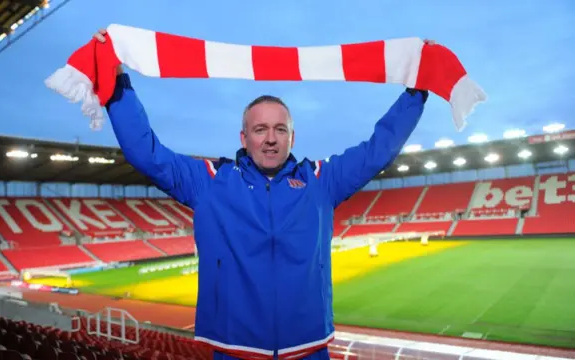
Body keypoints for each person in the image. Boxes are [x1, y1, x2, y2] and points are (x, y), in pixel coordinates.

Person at [95, 29, 431, 360]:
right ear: (244, 137)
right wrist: (117, 82)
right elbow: (146, 153)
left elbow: (378, 150)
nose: (270, 138)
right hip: (234, 350)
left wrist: (416, 90)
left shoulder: (321, 181)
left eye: (280, 129)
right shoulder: (209, 181)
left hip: (309, 348)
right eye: (260, 129)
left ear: (292, 139)